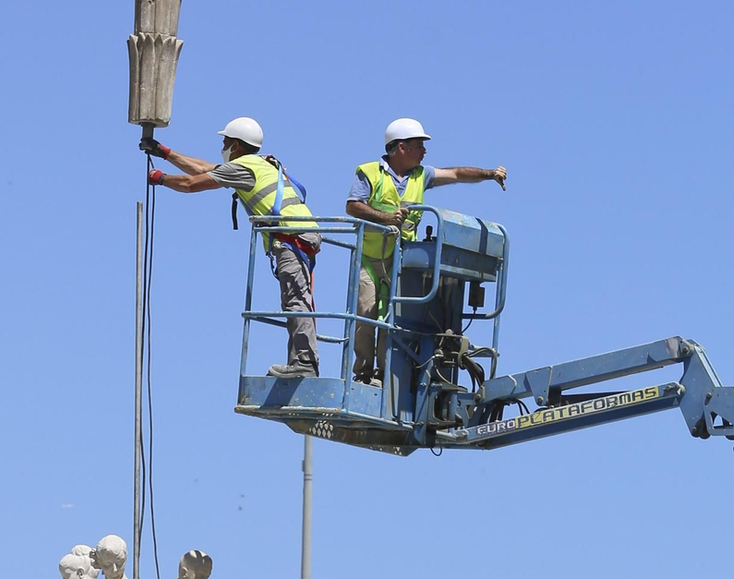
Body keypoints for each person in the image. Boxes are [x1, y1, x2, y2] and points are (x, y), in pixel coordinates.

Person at [149, 118, 321, 377]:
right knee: (297, 299)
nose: (223, 145)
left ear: (237, 145)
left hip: (290, 238)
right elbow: (204, 168)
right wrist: (165, 152)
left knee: (295, 301)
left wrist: (160, 178)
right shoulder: (259, 163)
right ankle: (301, 362)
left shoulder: (242, 168)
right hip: (300, 234)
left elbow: (191, 183)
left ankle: (305, 364)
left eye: (226, 141)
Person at [345, 118, 508, 382]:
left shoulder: (421, 175)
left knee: (394, 319)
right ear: (400, 148)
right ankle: (363, 375)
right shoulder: (370, 172)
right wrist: (386, 218)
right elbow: (353, 206)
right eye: (419, 145)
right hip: (370, 259)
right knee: (366, 315)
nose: (424, 151)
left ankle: (384, 375)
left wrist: (489, 174)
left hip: (400, 259)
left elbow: (456, 174)